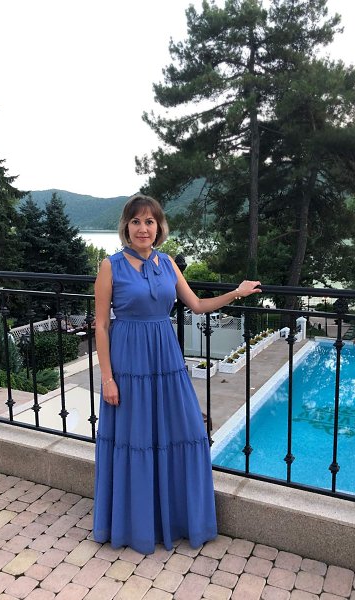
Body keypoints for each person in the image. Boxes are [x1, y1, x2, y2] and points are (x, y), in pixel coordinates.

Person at [92, 193, 261, 554]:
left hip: (166, 360)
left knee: (186, 431)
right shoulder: (110, 266)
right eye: (136, 221)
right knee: (135, 438)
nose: (143, 228)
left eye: (149, 221)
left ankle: (177, 517)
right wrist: (107, 378)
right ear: (126, 227)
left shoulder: (167, 263)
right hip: (128, 361)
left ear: (159, 227)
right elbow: (101, 326)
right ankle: (136, 524)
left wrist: (236, 292)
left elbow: (196, 304)